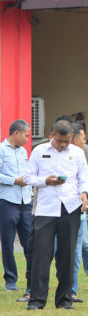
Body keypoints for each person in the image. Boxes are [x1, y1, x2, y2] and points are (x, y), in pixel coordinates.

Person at [23, 119, 88, 310]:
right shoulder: (39, 150)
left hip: (70, 206)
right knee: (41, 254)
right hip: (46, 208)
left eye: (67, 141)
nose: (63, 145)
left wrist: (84, 193)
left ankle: (64, 299)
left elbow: (84, 178)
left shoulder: (77, 153)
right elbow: (28, 177)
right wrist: (45, 181)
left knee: (68, 254)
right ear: (52, 135)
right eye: (60, 141)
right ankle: (37, 300)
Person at [0, 119, 32, 293]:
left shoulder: (23, 152)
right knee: (8, 242)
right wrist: (14, 181)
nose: (28, 139)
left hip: (26, 201)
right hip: (8, 201)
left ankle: (32, 278)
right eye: (26, 135)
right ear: (16, 133)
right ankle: (10, 279)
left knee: (29, 242)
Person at [71, 123, 88, 302]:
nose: (85, 141)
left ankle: (72, 290)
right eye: (83, 138)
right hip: (61, 213)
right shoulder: (59, 156)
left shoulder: (83, 153)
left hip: (81, 211)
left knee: (80, 249)